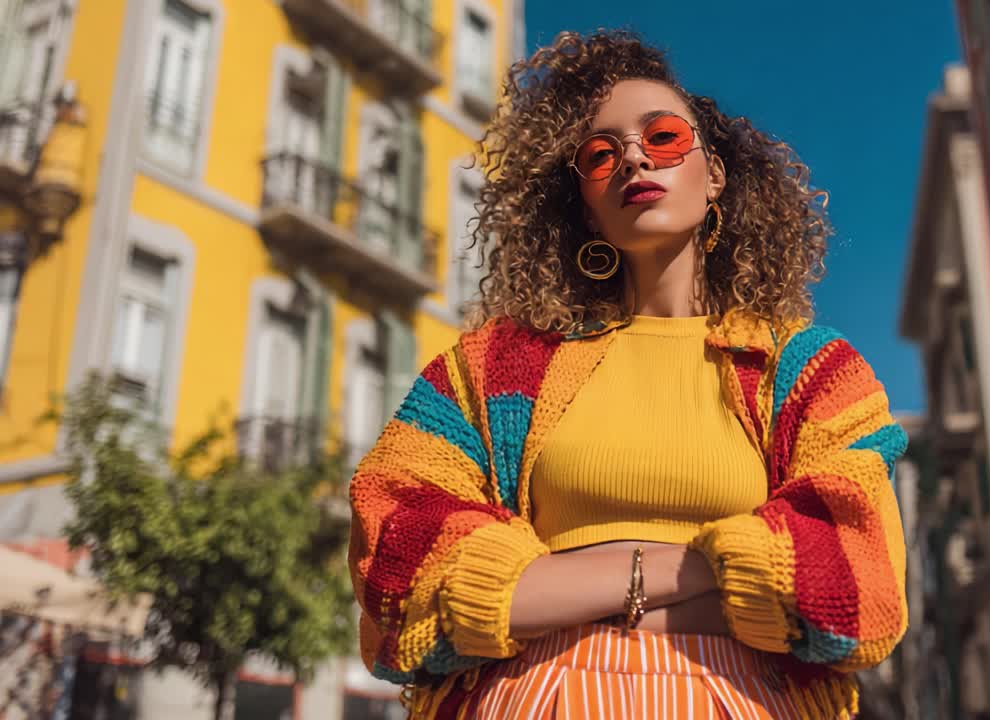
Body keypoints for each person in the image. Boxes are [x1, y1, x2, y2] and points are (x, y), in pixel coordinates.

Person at [348, 29, 908, 720]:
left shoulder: (809, 371)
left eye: (664, 137)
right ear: (584, 206)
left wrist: (555, 586)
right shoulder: (494, 366)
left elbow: (859, 580)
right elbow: (398, 557)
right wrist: (690, 573)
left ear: (714, 174)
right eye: (600, 154)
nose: (635, 157)